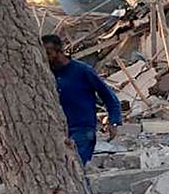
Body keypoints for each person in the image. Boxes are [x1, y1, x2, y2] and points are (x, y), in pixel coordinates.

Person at [42, 34, 123, 165]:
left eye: (48, 53)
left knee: (76, 166)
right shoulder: (47, 75)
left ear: (59, 51)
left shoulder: (82, 71)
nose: (45, 57)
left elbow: (108, 95)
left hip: (82, 130)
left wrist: (114, 121)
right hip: (57, 130)